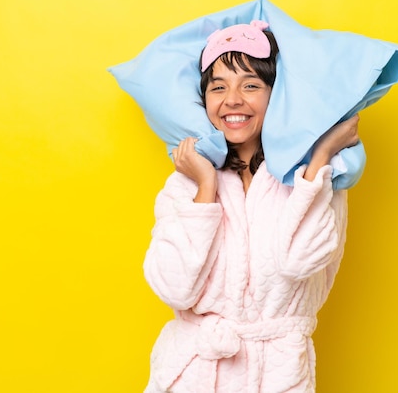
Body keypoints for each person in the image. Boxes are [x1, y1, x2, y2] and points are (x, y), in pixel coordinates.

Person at [143, 20, 360, 393]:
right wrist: (206, 187)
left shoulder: (314, 181)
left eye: (251, 85)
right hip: (192, 374)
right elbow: (174, 289)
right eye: (218, 87)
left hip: (276, 374)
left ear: (278, 97)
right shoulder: (186, 183)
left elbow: (298, 261)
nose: (232, 100)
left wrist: (322, 154)